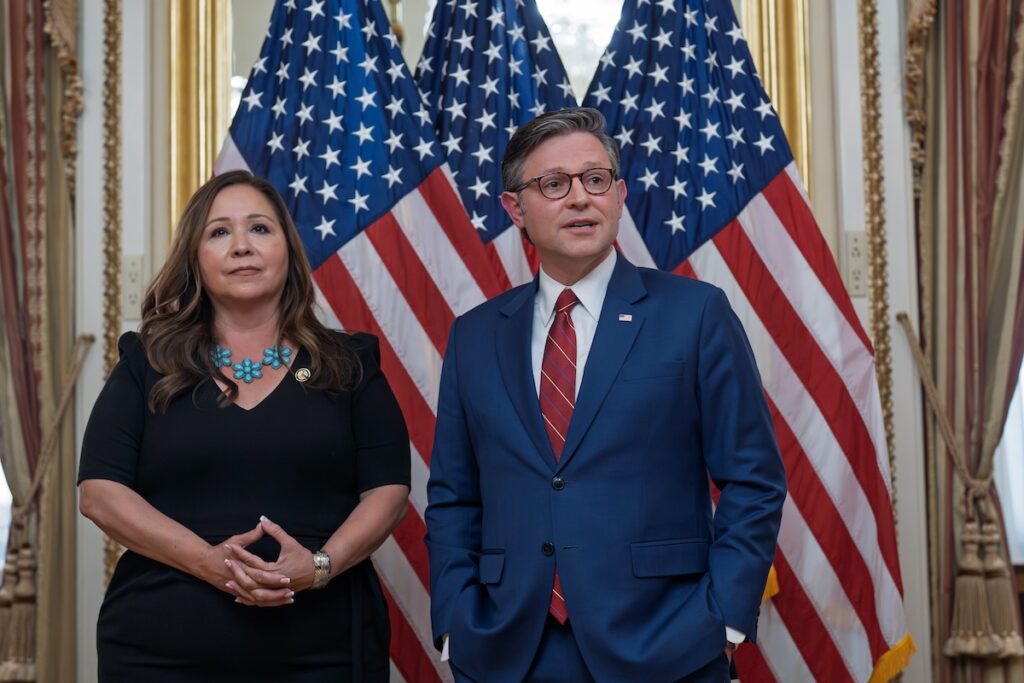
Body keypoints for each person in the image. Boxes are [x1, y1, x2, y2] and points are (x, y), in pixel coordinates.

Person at [425, 108, 787, 682]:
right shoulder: (474, 336)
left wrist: (723, 622)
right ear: (515, 208)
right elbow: (453, 497)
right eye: (553, 184)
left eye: (595, 180)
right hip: (509, 649)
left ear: (619, 195)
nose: (579, 199)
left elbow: (755, 479)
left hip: (667, 644)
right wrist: (454, 623)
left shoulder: (695, 315)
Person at [78, 170, 410, 682]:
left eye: (259, 229)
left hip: (325, 649)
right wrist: (212, 563)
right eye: (218, 232)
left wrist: (319, 566)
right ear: (195, 258)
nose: (240, 247)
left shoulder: (350, 363)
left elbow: (388, 491)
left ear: (287, 250)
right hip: (160, 650)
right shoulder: (147, 362)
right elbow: (99, 492)